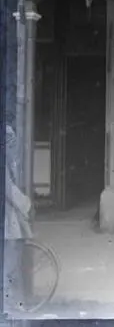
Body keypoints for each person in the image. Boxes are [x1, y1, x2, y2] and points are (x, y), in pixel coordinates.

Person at [4, 125, 33, 311]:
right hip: (7, 219)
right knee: (10, 262)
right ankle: (10, 303)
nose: (12, 143)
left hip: (9, 217)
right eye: (9, 139)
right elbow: (8, 189)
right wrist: (26, 204)